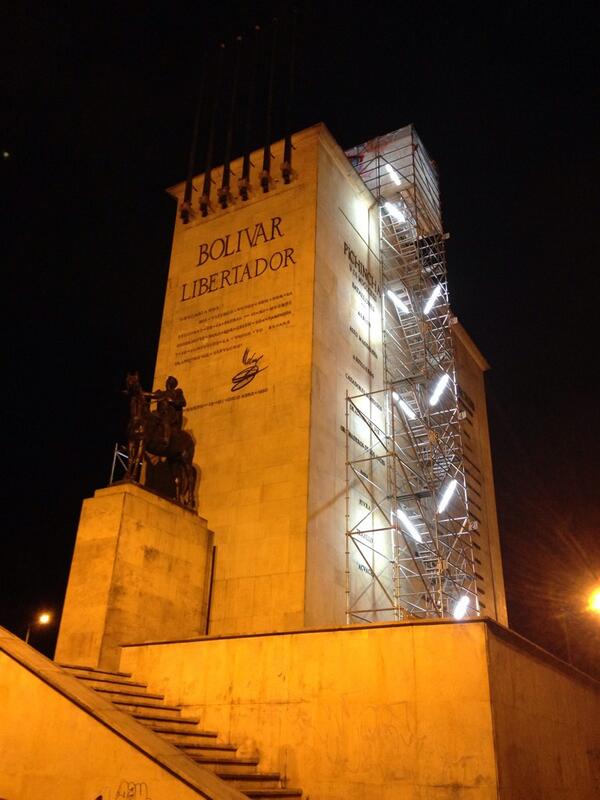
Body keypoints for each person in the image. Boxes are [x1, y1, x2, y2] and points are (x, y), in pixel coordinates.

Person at [149, 376, 186, 448]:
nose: (167, 383)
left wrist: (172, 401)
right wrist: (137, 391)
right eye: (167, 382)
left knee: (165, 420)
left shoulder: (177, 392)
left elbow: (183, 403)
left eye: (169, 382)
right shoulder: (161, 393)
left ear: (172, 384)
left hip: (170, 415)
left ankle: (166, 438)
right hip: (159, 413)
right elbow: (150, 395)